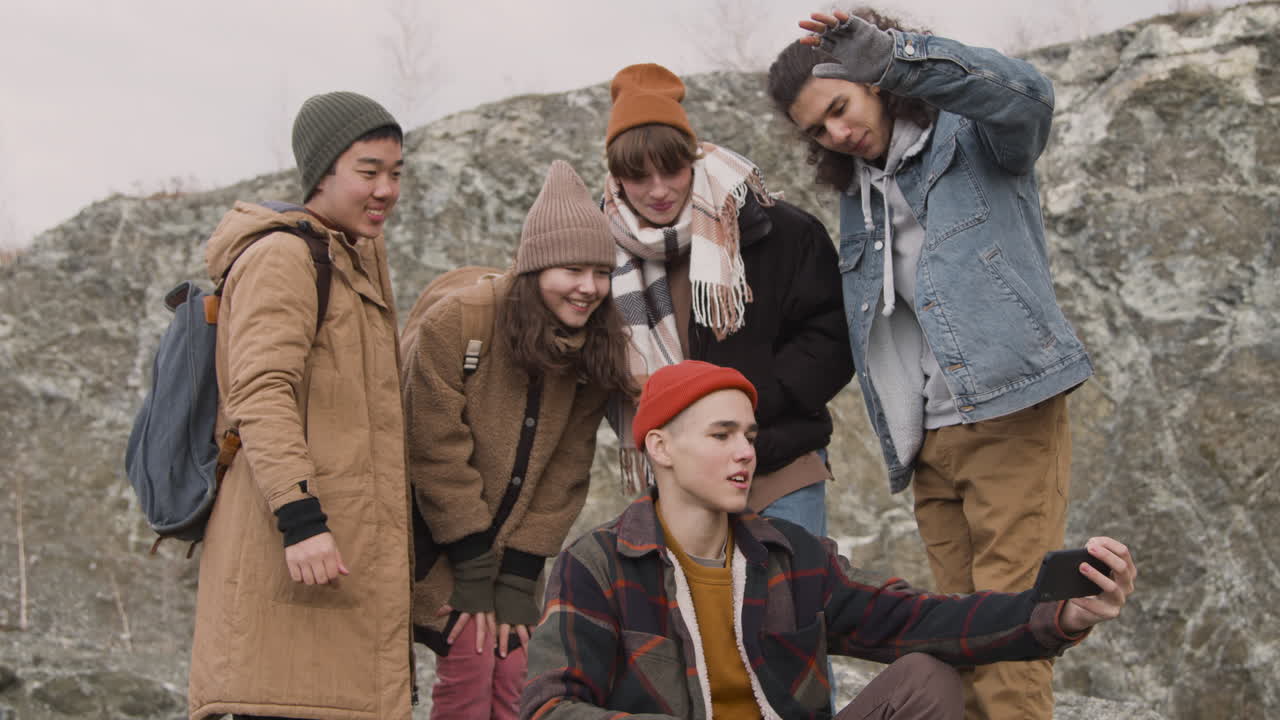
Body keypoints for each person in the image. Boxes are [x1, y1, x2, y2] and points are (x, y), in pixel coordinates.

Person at [766, 9, 1095, 719]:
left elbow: (1028, 96)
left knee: (1013, 637)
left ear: (876, 85)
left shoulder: (975, 138)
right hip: (928, 444)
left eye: (841, 107)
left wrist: (901, 56)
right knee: (959, 636)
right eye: (817, 130)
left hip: (1008, 414)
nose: (837, 134)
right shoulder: (860, 196)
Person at [520, 360, 1137, 720]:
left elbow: (919, 621)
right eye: (721, 435)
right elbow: (549, 708)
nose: (745, 452)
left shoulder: (789, 554)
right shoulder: (599, 563)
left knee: (928, 680)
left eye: (750, 435)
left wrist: (1057, 612)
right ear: (660, 448)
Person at [188, 92, 413, 720]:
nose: (386, 189)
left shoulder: (353, 257)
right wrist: (301, 519)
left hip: (337, 572)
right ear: (321, 174)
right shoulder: (284, 256)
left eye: (396, 173)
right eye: (368, 172)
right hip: (295, 553)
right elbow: (258, 393)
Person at [401, 160, 634, 720]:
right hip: (434, 541)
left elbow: (567, 468)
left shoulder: (593, 345)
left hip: (510, 559)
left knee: (517, 671)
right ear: (534, 268)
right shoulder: (458, 323)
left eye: (601, 273)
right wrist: (473, 566)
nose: (589, 288)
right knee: (468, 660)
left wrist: (521, 574)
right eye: (572, 269)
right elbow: (434, 446)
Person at [603, 63, 854, 540]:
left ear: (693, 159)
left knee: (788, 610)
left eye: (672, 170)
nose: (658, 190)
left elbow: (832, 330)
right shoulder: (599, 249)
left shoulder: (777, 228)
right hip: (679, 481)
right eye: (638, 176)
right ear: (616, 176)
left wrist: (757, 403)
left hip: (778, 463)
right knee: (700, 616)